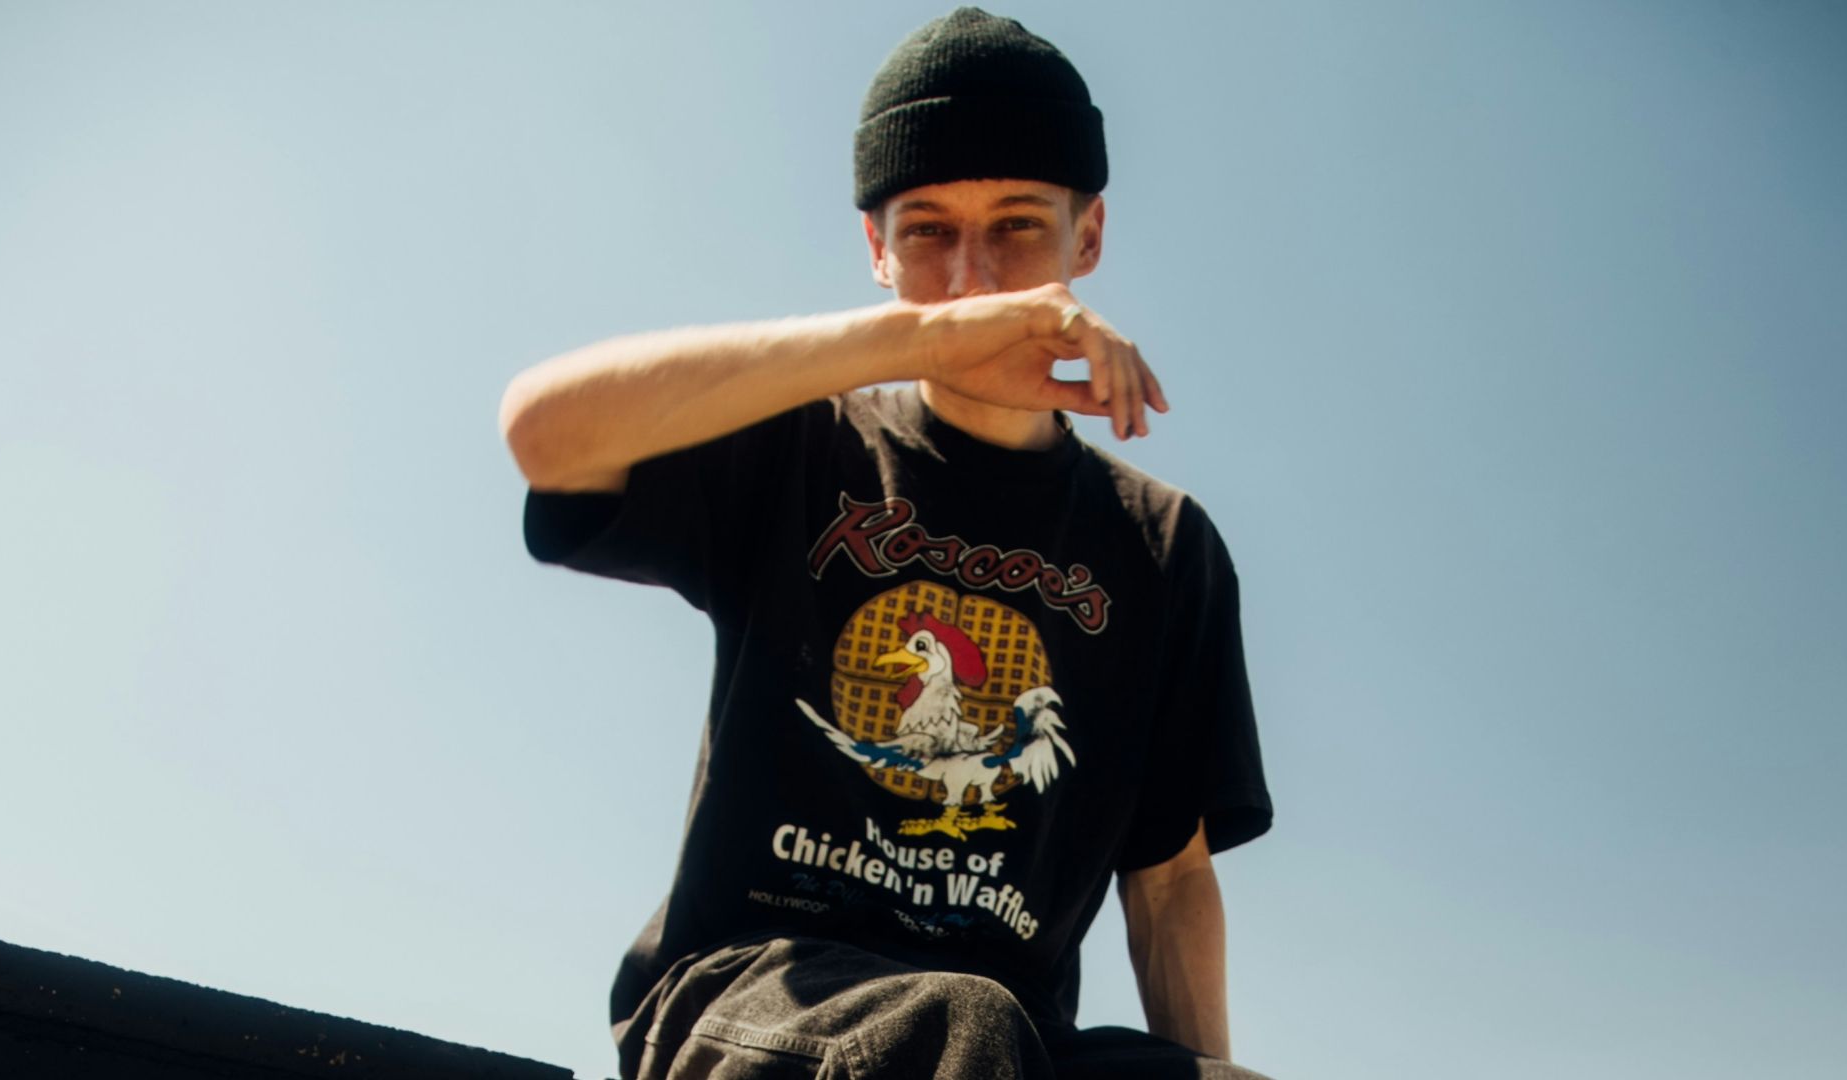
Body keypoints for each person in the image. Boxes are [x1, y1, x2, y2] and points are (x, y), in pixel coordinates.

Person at [500, 8, 1275, 1078]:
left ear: (1086, 237)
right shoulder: (801, 443)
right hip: (750, 993)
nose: (972, 278)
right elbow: (545, 431)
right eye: (926, 231)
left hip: (1014, 1043)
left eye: (1017, 225)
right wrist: (913, 340)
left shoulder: (1164, 545)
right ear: (875, 248)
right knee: (958, 1023)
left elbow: (1171, 875)